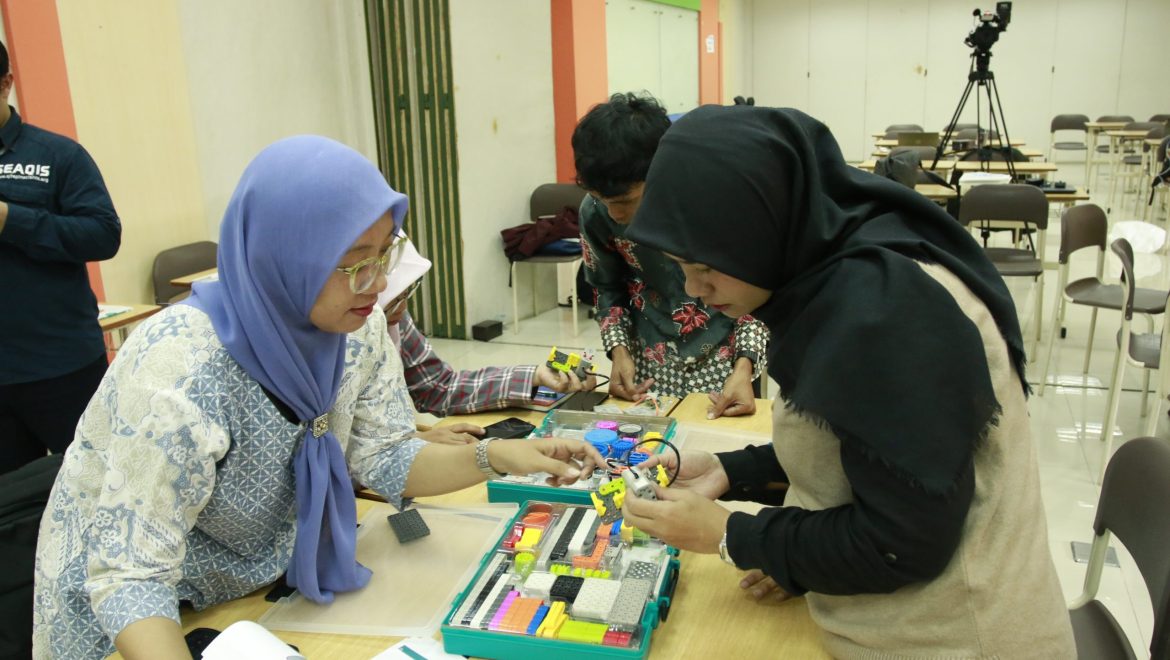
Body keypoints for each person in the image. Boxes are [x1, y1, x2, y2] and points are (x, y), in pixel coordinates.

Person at [33, 136, 603, 660]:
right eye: (354, 263)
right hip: (130, 621)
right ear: (285, 258)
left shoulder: (357, 328)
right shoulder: (181, 366)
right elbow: (130, 578)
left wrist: (496, 456)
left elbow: (384, 454)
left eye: (385, 253)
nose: (377, 283)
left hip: (250, 591)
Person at [620, 106, 1075, 657]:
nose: (694, 289)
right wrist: (730, 471)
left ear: (759, 226)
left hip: (959, 638)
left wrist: (729, 535)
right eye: (680, 267)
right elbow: (866, 439)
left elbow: (899, 545)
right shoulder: (827, 270)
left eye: (705, 266)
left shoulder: (883, 312)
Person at [572, 92, 768, 418]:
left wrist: (745, 365)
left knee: (725, 440)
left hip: (728, 351)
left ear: (663, 171)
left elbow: (761, 286)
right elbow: (605, 286)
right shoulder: (595, 212)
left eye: (625, 201)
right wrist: (619, 350)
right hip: (649, 354)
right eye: (601, 199)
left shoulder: (722, 201)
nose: (614, 214)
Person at [0, 41, 120, 474]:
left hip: (61, 367)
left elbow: (103, 235)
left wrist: (11, 219)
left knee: (97, 483)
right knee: (11, 503)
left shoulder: (57, 156)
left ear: (6, 84)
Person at [375, 236, 597, 444]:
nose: (402, 308)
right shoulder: (364, 320)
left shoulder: (395, 319)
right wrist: (413, 441)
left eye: (406, 294)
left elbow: (439, 388)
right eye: (393, 300)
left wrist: (535, 375)